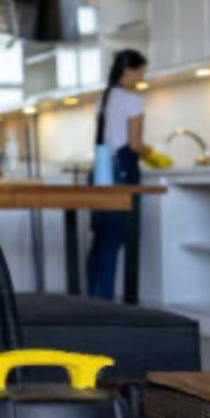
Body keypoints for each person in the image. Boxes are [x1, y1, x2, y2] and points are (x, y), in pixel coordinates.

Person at [85, 49, 170, 300]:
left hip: (100, 170)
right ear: (129, 70)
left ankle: (93, 300)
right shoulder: (132, 100)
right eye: (141, 72)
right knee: (115, 239)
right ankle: (109, 305)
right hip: (121, 170)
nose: (141, 78)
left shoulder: (103, 100)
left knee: (100, 239)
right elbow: (134, 144)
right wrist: (156, 156)